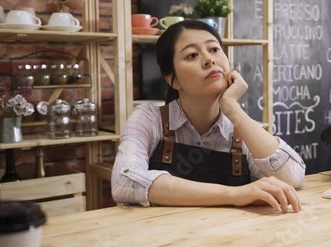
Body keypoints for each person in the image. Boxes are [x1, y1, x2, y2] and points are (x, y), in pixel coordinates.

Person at [111, 20, 306, 213]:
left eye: (214, 49)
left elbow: (292, 178)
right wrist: (235, 195)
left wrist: (232, 107)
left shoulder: (238, 126)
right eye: (192, 55)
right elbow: (124, 181)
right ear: (173, 79)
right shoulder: (149, 119)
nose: (209, 60)